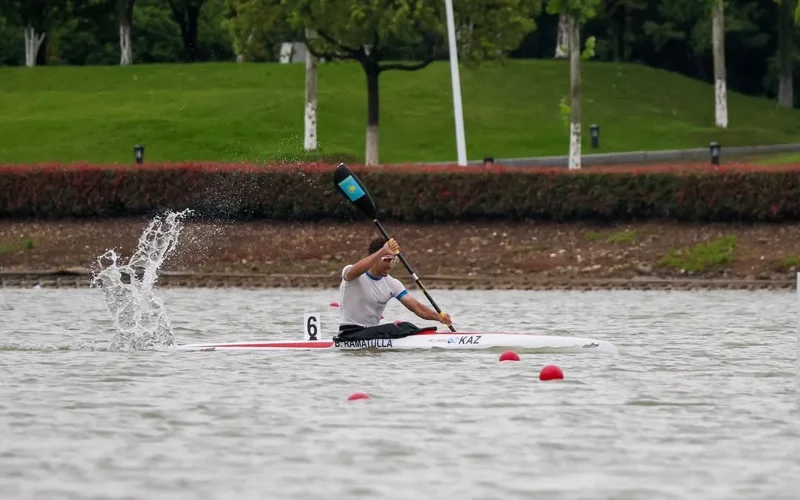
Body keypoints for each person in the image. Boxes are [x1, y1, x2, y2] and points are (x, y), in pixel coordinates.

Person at [334, 236, 453, 342]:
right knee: (391, 328)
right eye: (386, 260)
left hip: (372, 333)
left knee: (406, 325)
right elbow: (355, 270)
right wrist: (383, 250)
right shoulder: (352, 274)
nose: (390, 265)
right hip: (350, 333)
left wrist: (438, 317)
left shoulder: (392, 284)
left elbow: (416, 307)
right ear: (374, 257)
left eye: (393, 260)